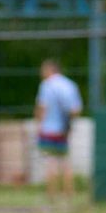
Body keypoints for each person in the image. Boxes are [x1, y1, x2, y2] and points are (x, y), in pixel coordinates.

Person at [35, 59, 82, 202]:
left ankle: (51, 195)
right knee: (66, 162)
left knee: (50, 162)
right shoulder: (70, 85)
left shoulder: (46, 85)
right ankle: (69, 194)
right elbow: (76, 109)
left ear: (50, 70)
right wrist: (68, 125)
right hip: (64, 131)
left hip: (49, 130)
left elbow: (42, 107)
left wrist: (39, 125)